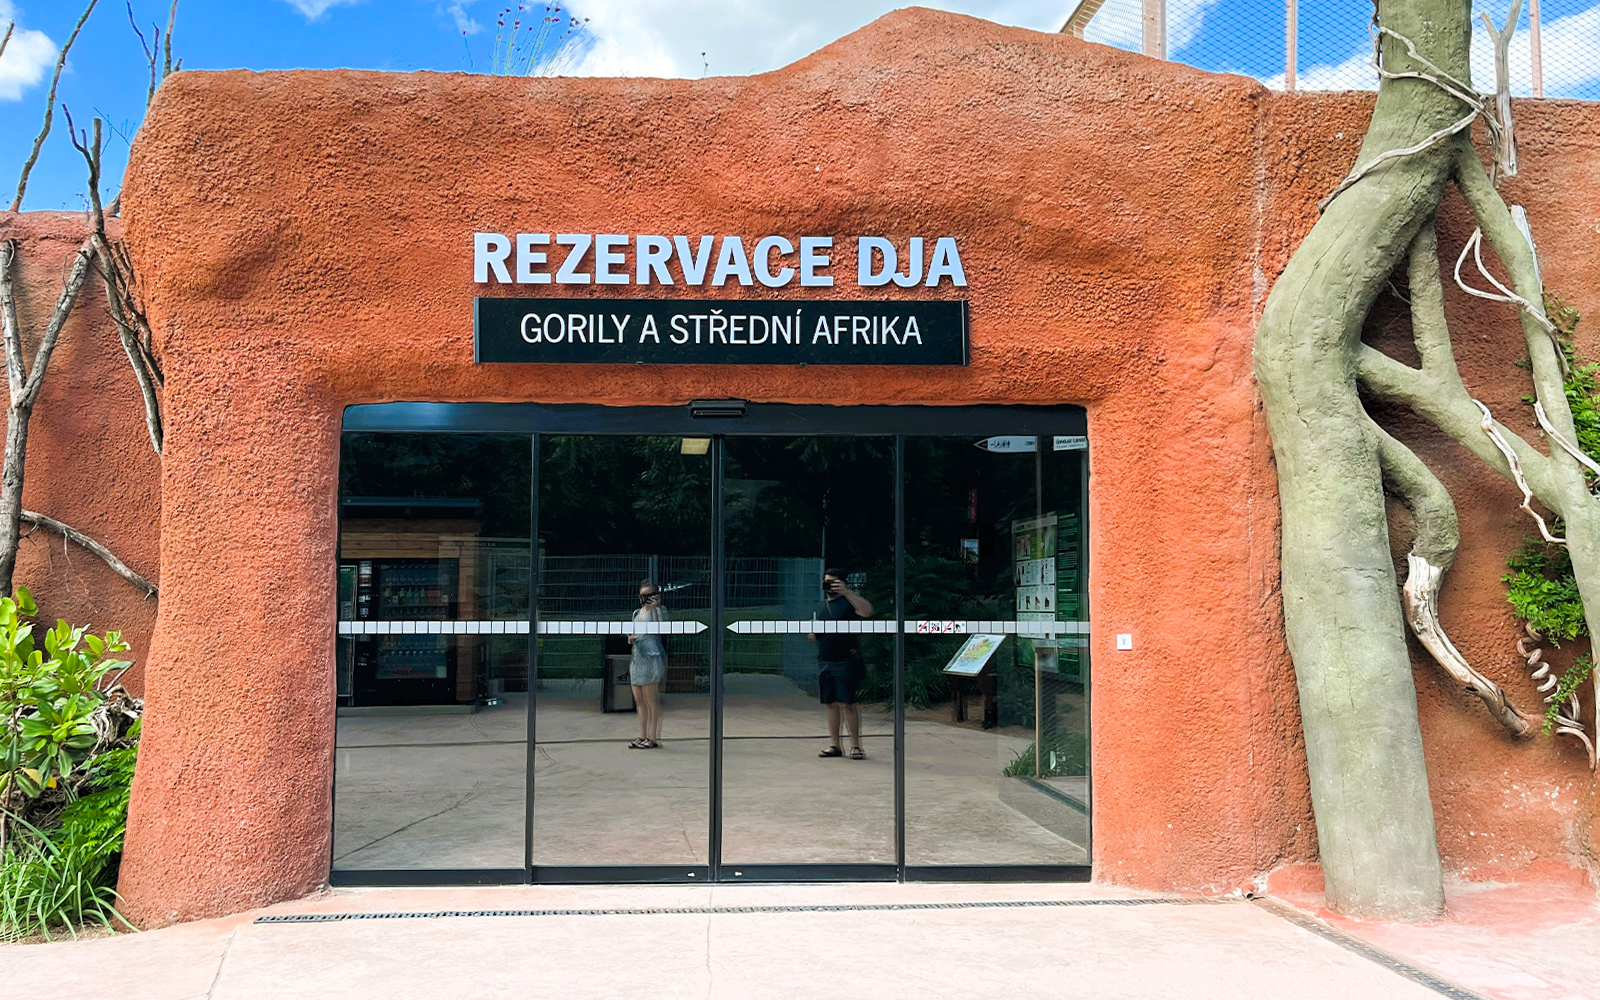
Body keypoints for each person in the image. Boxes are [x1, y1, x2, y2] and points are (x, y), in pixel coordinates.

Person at [809, 568, 873, 760]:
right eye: (827, 582)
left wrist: (846, 592)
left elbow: (866, 611)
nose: (830, 586)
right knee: (830, 703)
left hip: (845, 659)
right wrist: (814, 634)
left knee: (848, 703)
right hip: (825, 659)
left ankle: (855, 746)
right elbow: (812, 633)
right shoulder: (819, 607)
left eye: (834, 582)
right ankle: (834, 744)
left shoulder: (848, 602)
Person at [627, 579, 667, 749]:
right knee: (639, 700)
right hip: (637, 657)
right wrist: (630, 638)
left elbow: (660, 629)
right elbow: (633, 632)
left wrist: (654, 608)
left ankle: (653, 737)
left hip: (651, 657)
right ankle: (641, 735)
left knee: (651, 699)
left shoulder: (658, 611)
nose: (646, 599)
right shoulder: (637, 613)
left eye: (649, 595)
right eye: (643, 595)